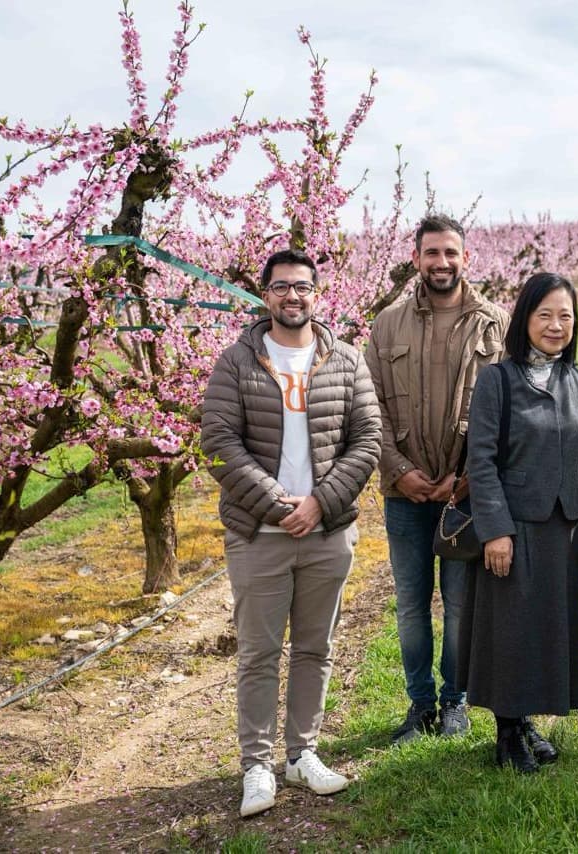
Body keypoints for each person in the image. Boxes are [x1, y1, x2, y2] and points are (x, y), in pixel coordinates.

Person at [201, 248, 382, 817]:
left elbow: (368, 440)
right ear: (265, 295)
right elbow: (219, 442)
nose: (292, 296)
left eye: (302, 286)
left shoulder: (348, 362)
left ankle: (302, 754)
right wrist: (280, 506)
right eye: (281, 287)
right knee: (258, 651)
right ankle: (256, 764)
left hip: (328, 529)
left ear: (317, 293)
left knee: (315, 647)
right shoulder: (236, 362)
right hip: (261, 531)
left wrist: (320, 503)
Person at [364, 214, 510, 744]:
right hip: (405, 494)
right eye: (431, 253)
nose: (441, 263)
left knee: (460, 603)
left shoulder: (494, 325)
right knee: (409, 602)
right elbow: (368, 407)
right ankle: (419, 703)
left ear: (464, 257)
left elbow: (506, 409)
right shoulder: (388, 325)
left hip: (463, 493)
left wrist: (469, 477)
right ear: (416, 258)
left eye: (450, 252)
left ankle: (456, 701)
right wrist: (399, 471)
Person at [458, 272, 578, 773]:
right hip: (515, 528)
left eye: (565, 315)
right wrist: (495, 529)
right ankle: (507, 732)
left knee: (547, 628)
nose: (555, 325)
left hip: (566, 528)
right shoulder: (498, 380)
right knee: (511, 631)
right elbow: (480, 461)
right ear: (524, 319)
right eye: (544, 314)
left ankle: (526, 722)